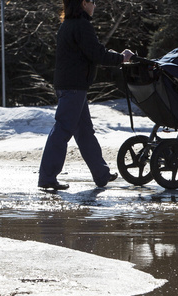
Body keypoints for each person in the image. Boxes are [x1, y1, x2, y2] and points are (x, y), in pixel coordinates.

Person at [38, 0, 134, 190]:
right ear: (83, 3)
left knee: (84, 132)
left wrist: (115, 56)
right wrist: (121, 58)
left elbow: (92, 52)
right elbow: (97, 54)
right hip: (73, 87)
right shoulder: (82, 25)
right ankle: (47, 178)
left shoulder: (69, 24)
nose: (95, 5)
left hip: (72, 86)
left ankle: (101, 174)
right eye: (93, 1)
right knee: (63, 130)